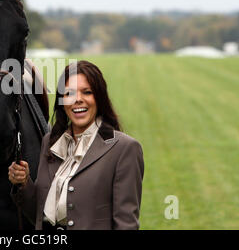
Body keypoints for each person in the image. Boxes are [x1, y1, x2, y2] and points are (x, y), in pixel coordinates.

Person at [9, 60, 144, 230]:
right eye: (69, 94)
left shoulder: (125, 148)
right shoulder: (50, 142)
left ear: (99, 98)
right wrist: (24, 183)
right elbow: (39, 215)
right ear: (62, 101)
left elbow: (126, 223)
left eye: (87, 92)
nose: (78, 100)